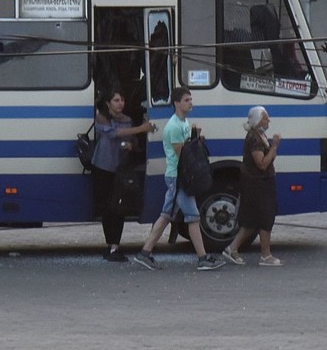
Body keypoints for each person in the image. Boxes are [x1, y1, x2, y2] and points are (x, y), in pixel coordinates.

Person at [131, 87, 225, 271]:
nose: (191, 103)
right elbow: (183, 154)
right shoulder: (174, 126)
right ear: (177, 103)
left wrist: (194, 138)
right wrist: (196, 139)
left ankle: (145, 253)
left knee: (166, 215)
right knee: (193, 217)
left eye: (191, 99)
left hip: (177, 176)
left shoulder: (183, 123)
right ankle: (202, 258)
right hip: (178, 177)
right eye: (187, 100)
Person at [92, 90, 156, 262]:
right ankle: (110, 244)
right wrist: (142, 128)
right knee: (107, 207)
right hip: (103, 167)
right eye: (116, 100)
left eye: (122, 99)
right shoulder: (101, 118)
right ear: (108, 103)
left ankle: (115, 247)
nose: (120, 103)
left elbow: (134, 141)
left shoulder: (127, 120)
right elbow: (113, 133)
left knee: (119, 208)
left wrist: (131, 144)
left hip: (120, 168)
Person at [221, 106, 284, 267]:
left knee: (251, 220)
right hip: (258, 184)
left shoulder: (260, 135)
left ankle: (232, 248)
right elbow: (261, 164)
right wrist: (275, 146)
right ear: (257, 121)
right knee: (265, 217)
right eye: (265, 118)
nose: (268, 121)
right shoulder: (255, 139)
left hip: (260, 182)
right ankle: (266, 255)